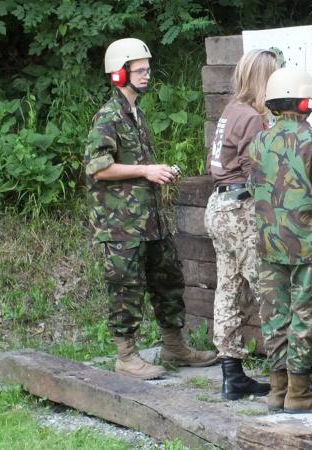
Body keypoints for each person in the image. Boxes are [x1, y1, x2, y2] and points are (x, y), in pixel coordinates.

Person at [83, 38, 217, 380]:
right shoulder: (109, 117)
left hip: (150, 221)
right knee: (125, 288)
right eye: (139, 70)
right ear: (119, 74)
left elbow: (135, 167)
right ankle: (126, 357)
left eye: (147, 69)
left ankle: (174, 346)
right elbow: (98, 168)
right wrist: (146, 170)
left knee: (168, 280)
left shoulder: (136, 114)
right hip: (121, 225)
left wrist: (157, 171)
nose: (146, 75)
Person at [248, 68, 312, 413]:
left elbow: (253, 189)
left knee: (274, 316)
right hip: (310, 246)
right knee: (307, 316)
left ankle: (277, 390)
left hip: (269, 244)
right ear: (305, 102)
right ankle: (299, 393)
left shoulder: (259, 141)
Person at [204, 49, 277, 400]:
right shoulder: (251, 117)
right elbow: (254, 170)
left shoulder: (232, 109)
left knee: (229, 290)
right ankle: (288, 377)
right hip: (241, 208)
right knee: (267, 288)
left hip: (220, 205)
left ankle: (231, 375)